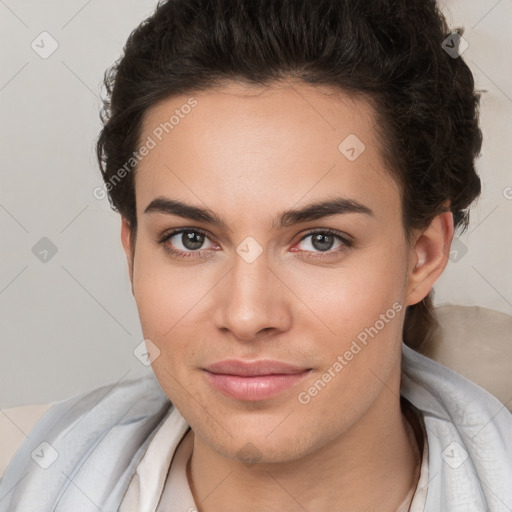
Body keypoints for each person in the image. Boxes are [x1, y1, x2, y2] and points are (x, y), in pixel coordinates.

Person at [1, 0, 511, 510]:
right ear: (132, 251)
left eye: (320, 240)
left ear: (422, 255)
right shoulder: (18, 471)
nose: (247, 316)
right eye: (191, 239)